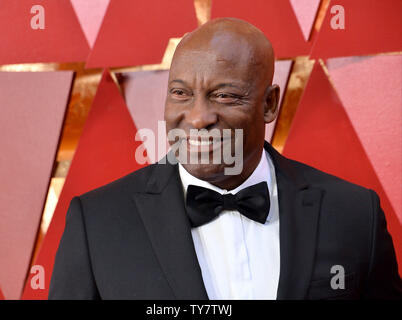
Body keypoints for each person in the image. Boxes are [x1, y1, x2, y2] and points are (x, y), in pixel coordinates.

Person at [49, 18, 402, 299]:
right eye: (181, 93)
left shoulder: (355, 214)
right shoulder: (97, 223)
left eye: (224, 95)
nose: (199, 117)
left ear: (269, 104)